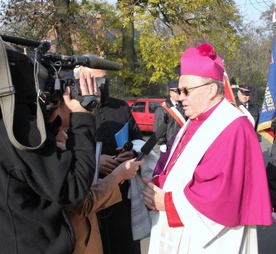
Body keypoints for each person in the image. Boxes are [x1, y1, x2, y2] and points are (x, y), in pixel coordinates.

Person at [142, 43, 273, 253]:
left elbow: (222, 194)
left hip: (209, 239)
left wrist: (167, 203)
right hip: (179, 229)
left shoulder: (233, 126)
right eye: (179, 91)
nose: (181, 96)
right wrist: (155, 182)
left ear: (211, 89)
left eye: (186, 91)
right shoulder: (195, 120)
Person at [0, 41, 98, 254]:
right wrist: (83, 119)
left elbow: (29, 167)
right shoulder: (16, 126)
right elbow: (73, 188)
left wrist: (48, 123)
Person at [74, 66, 144, 254]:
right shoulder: (74, 109)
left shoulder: (120, 106)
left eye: (103, 79)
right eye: (95, 80)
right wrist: (95, 161)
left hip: (122, 196)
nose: (101, 85)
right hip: (91, 195)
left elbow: (138, 139)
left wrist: (133, 153)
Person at [153, 80, 186, 155]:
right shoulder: (163, 108)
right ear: (170, 92)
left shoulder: (184, 106)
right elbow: (158, 127)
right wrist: (161, 143)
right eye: (177, 92)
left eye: (180, 91)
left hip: (181, 142)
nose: (179, 94)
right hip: (169, 144)